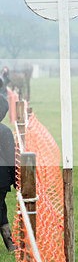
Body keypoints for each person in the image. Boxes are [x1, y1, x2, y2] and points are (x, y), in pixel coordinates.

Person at [0, 74, 17, 251]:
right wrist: (16, 180)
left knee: (1, 208)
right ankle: (10, 243)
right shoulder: (4, 132)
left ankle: (9, 243)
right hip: (2, 180)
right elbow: (11, 157)